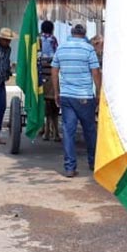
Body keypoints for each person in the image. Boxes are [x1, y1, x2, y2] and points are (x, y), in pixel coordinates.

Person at [50, 24, 101, 178]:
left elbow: (54, 70)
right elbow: (95, 72)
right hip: (84, 96)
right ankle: (93, 163)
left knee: (68, 131)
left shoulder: (62, 48)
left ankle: (70, 167)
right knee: (90, 131)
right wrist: (99, 92)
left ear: (71, 33)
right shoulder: (88, 49)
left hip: (67, 96)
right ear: (84, 33)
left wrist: (56, 92)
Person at [38, 20, 61, 142]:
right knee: (54, 107)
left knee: (43, 105)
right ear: (52, 29)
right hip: (52, 74)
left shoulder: (38, 39)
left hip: (40, 74)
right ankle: (55, 132)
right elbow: (57, 55)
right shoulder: (53, 39)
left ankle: (44, 130)